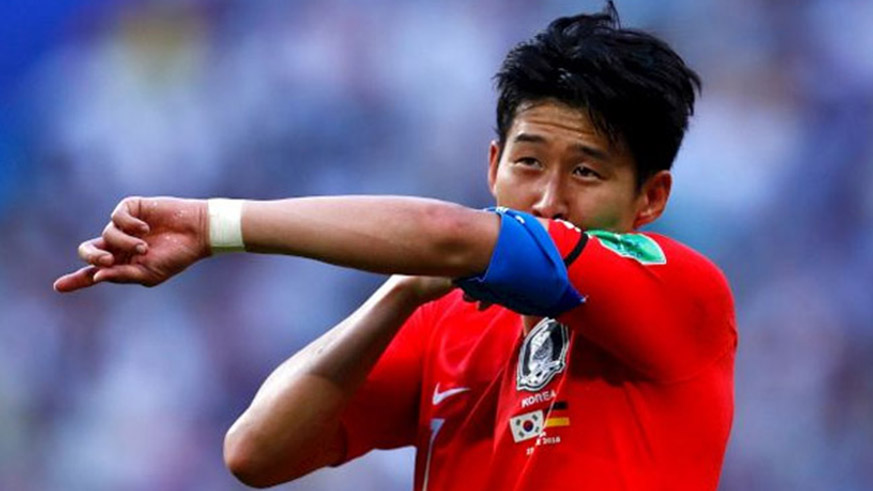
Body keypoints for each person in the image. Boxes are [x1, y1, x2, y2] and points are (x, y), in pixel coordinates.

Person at [54, 5, 736, 491]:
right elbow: (255, 452)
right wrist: (400, 290)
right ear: (492, 161)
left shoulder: (679, 290)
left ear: (650, 197)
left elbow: (448, 233)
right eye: (528, 163)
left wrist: (217, 224)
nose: (548, 198)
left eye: (585, 172)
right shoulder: (449, 320)